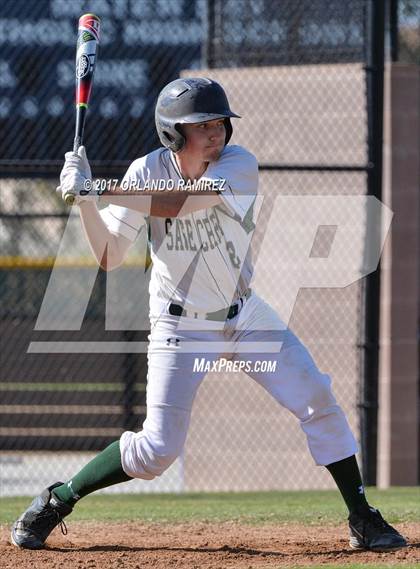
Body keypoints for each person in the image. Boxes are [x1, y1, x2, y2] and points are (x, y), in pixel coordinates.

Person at [11, 77, 406, 552]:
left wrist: (97, 185)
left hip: (243, 315)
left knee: (316, 396)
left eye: (220, 122)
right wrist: (86, 204)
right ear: (172, 133)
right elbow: (110, 256)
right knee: (158, 450)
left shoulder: (239, 165)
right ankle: (59, 498)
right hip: (180, 325)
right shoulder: (142, 171)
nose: (216, 131)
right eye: (202, 124)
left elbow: (186, 203)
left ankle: (362, 517)